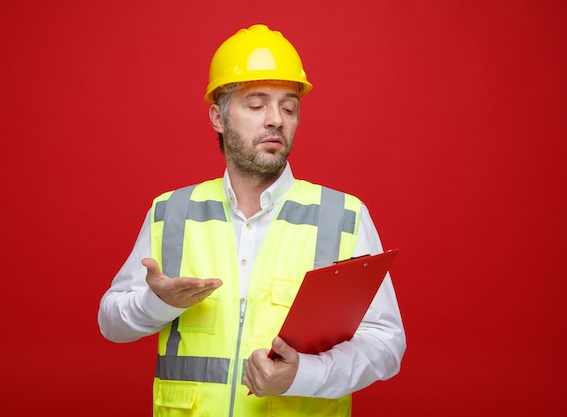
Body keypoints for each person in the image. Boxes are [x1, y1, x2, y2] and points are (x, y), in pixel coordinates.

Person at [98, 24, 405, 416]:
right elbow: (111, 322)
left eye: (289, 107)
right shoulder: (170, 212)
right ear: (218, 118)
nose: (275, 119)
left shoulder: (345, 217)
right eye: (257, 105)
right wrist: (155, 304)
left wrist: (302, 375)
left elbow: (386, 343)